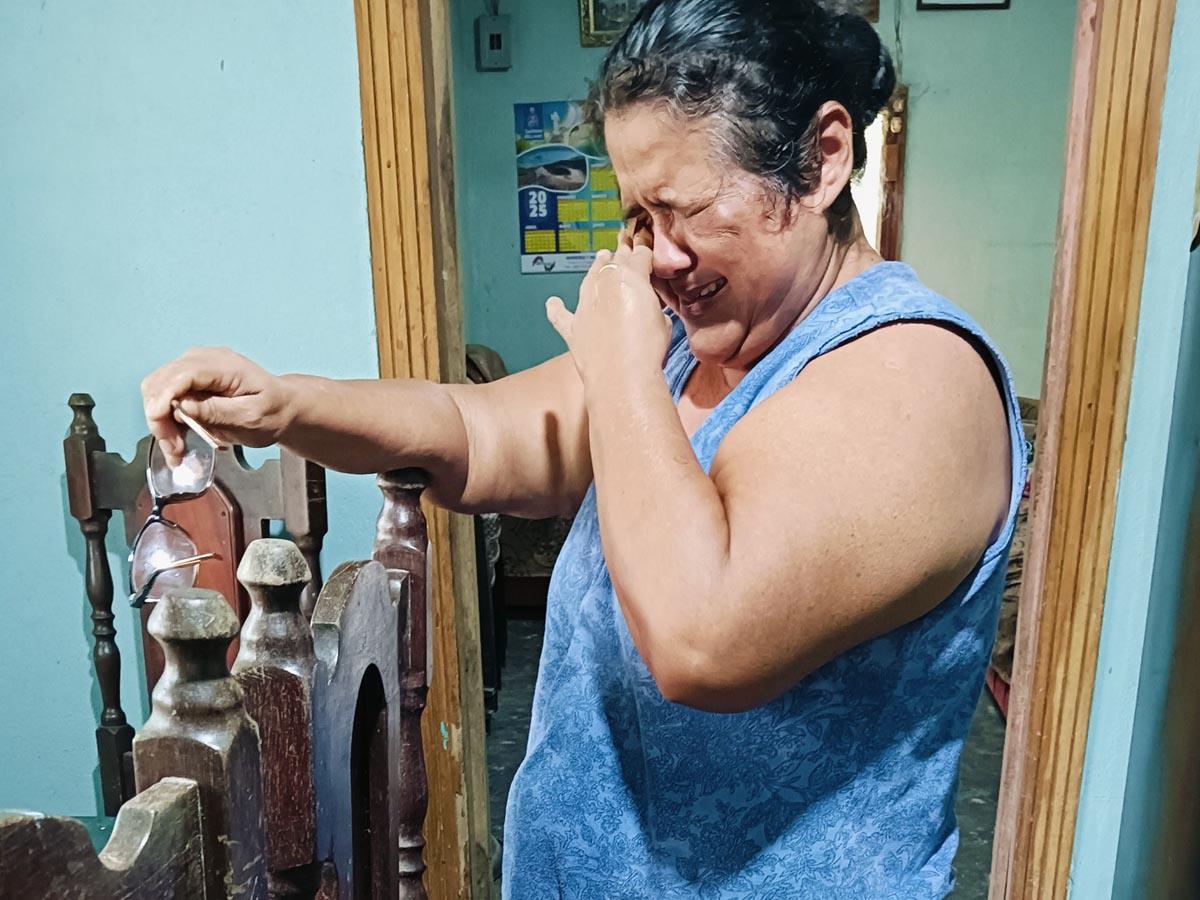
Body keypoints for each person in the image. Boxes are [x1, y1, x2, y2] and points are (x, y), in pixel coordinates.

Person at [141, 0, 1025, 895]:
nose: (659, 258)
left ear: (822, 160)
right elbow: (475, 431)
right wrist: (289, 403)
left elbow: (703, 639)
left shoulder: (918, 377)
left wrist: (622, 371)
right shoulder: (689, 345)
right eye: (640, 215)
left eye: (685, 209)